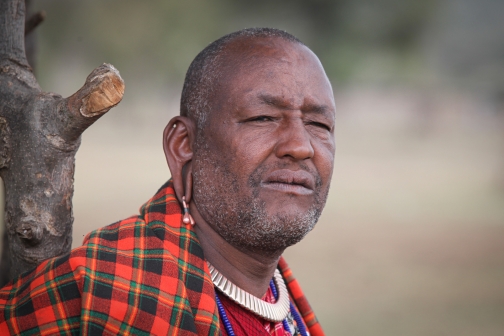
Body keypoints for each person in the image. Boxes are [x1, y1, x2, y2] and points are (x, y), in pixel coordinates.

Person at [0, 28, 334, 335]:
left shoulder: (283, 304)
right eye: (262, 118)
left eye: (319, 124)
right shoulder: (103, 291)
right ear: (184, 145)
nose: (300, 146)